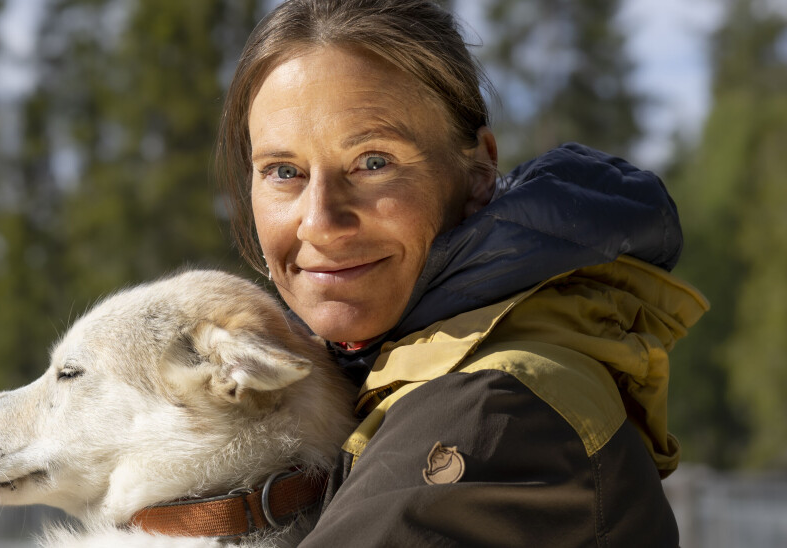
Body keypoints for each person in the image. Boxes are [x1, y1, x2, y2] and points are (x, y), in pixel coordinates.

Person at [215, 0, 708, 546]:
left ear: (477, 171)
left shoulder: (498, 408)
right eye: (284, 171)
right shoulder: (372, 377)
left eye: (374, 162)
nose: (321, 223)